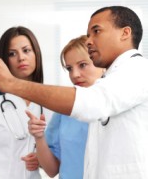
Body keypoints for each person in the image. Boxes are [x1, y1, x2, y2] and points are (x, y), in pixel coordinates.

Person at [0, 6, 148, 178]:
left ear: (125, 33)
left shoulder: (138, 70)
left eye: (96, 31)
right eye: (69, 68)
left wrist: (12, 83)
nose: (90, 41)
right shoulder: (111, 79)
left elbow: (91, 102)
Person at [0, 26, 52, 179]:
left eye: (26, 50)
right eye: (12, 54)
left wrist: (39, 160)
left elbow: (53, 161)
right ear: (4, 60)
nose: (21, 58)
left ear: (36, 54)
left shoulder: (47, 100)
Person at [28, 35, 104, 179]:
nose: (74, 75)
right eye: (69, 68)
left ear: (101, 63)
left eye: (82, 65)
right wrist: (39, 137)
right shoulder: (65, 109)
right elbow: (51, 170)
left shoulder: (120, 105)